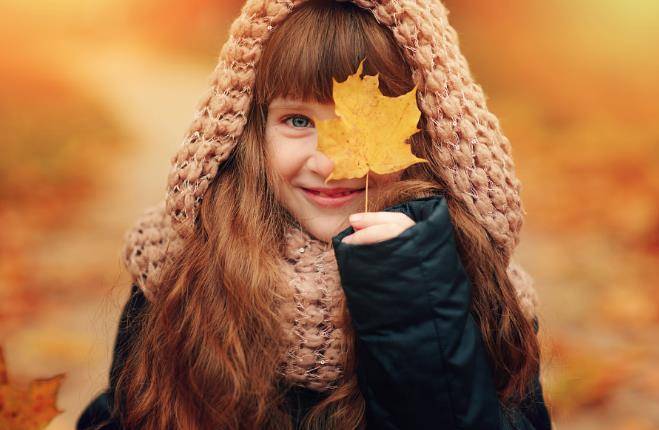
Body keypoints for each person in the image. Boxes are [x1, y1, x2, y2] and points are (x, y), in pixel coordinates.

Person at [77, 0, 554, 428]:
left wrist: (415, 306)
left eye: (358, 122)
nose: (328, 163)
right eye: (298, 121)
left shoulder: (473, 287)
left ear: (426, 135)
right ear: (251, 132)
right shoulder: (181, 269)